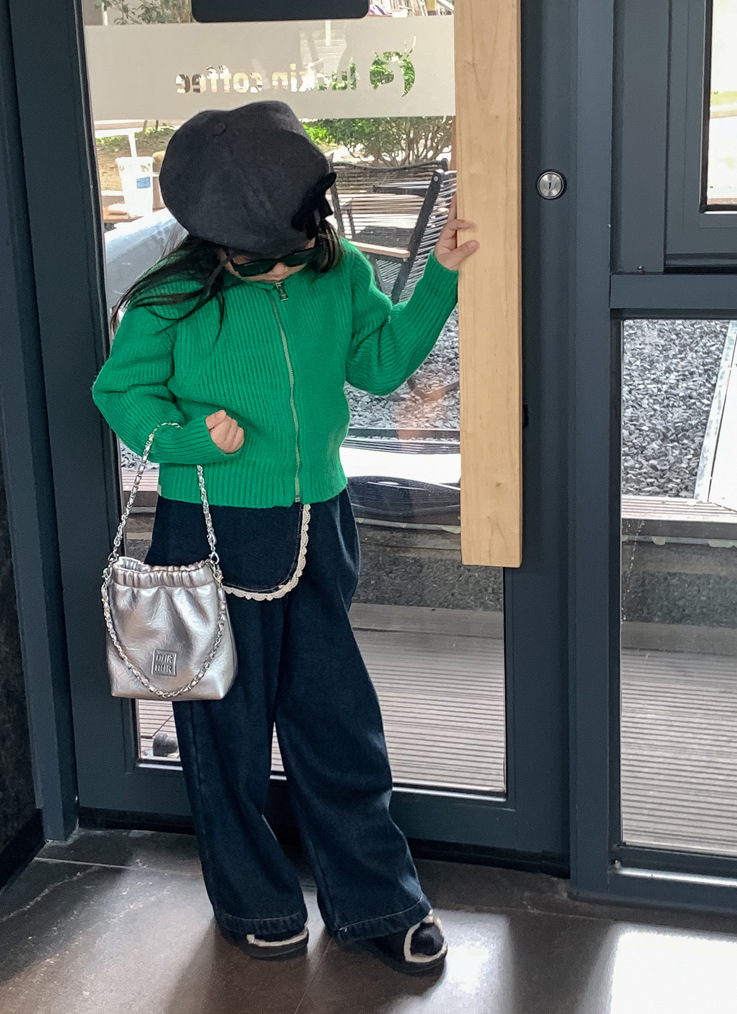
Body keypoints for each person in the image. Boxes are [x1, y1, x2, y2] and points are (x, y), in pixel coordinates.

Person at [91, 99, 479, 975]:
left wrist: (442, 280)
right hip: (206, 528)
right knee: (221, 728)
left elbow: (379, 364)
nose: (294, 253)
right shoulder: (170, 297)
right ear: (221, 235)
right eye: (270, 245)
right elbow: (120, 393)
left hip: (319, 522)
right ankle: (253, 901)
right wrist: (187, 439)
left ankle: (377, 900)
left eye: (301, 234)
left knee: (337, 721)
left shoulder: (337, 273)